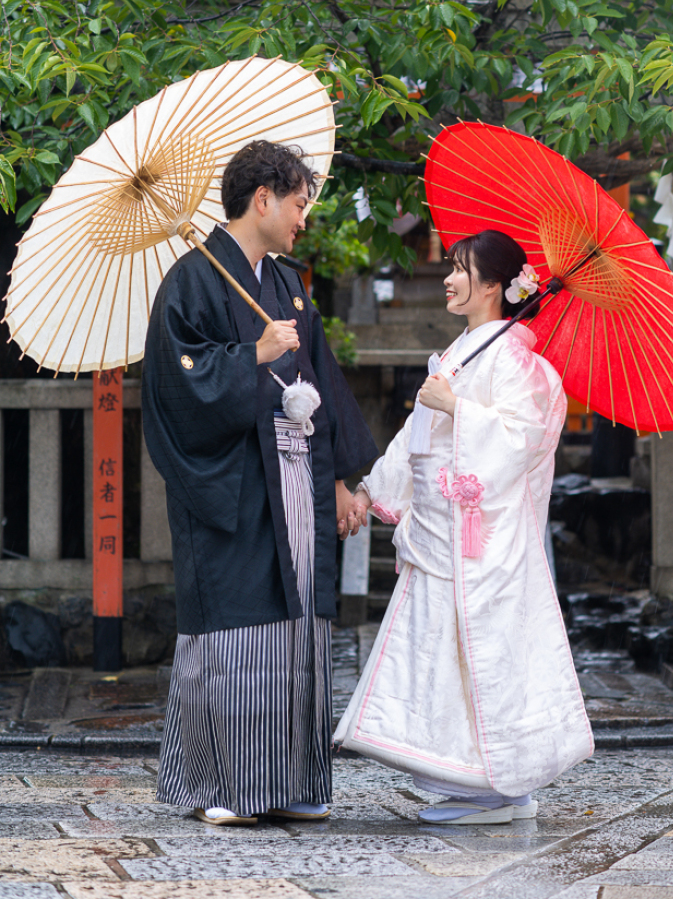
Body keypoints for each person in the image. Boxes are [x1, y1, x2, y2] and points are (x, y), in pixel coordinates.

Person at [142, 140, 376, 826]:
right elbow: (176, 385)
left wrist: (335, 477)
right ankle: (226, 785)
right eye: (300, 202)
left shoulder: (287, 283)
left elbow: (322, 383)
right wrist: (253, 354)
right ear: (263, 197)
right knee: (238, 631)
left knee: (297, 625)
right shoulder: (191, 279)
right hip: (235, 482)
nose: (305, 216)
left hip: (298, 475)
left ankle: (288, 781)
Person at [335, 229, 593, 825]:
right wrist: (371, 490)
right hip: (441, 535)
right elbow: (416, 440)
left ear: (496, 286)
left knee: (483, 658)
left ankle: (502, 787)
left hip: (483, 545)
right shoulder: (464, 351)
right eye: (450, 267)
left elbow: (523, 438)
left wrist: (459, 408)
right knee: (441, 661)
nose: (449, 278)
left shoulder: (515, 360)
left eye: (460, 269)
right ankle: (473, 781)